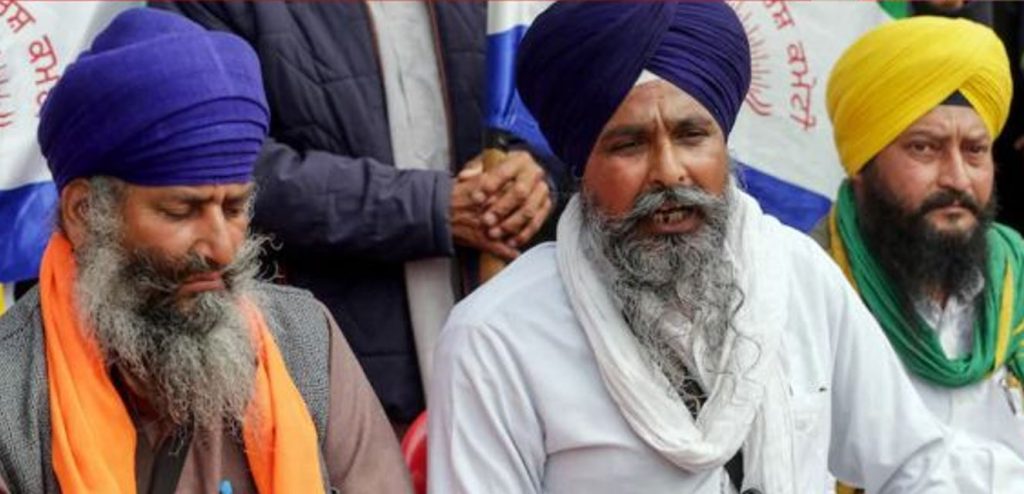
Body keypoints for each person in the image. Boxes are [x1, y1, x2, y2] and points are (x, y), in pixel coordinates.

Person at [428, 3, 1024, 493]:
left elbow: (914, 466)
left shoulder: (796, 274)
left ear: (725, 143)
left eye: (692, 136)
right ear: (582, 164)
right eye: (629, 145)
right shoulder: (497, 337)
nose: (669, 171)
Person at [0, 9, 410, 493]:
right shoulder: (12, 398)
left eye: (234, 208)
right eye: (182, 211)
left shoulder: (304, 340)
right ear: (85, 212)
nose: (221, 248)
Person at [152, 1, 560, 426]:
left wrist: (531, 172)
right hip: (329, 382)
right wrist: (428, 207)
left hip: (510, 371)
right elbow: (219, 159)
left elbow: (558, 95)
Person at [819, 13, 1023, 473]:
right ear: (862, 161)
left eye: (975, 151)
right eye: (924, 148)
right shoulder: (813, 289)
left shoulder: (1019, 275)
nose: (957, 178)